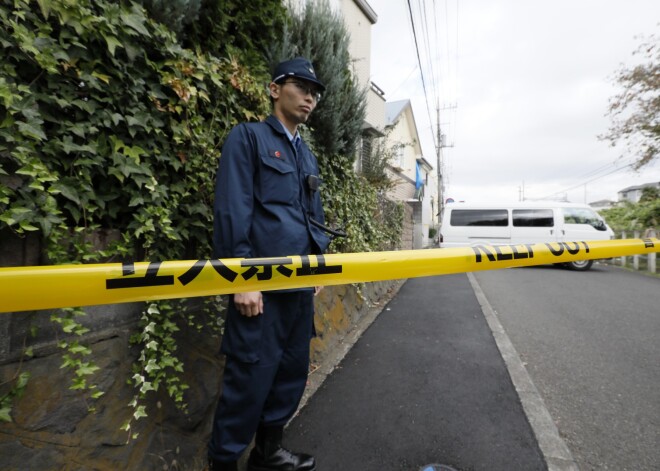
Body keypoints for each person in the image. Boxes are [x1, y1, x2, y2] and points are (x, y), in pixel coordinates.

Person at [207, 57, 331, 471]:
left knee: (289, 375)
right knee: (248, 381)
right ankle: (223, 463)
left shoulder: (307, 155)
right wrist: (241, 278)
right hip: (260, 291)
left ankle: (268, 454)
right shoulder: (248, 139)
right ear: (275, 89)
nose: (310, 96)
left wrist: (318, 266)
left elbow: (314, 217)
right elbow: (232, 211)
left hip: (298, 290)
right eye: (301, 86)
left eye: (315, 91)